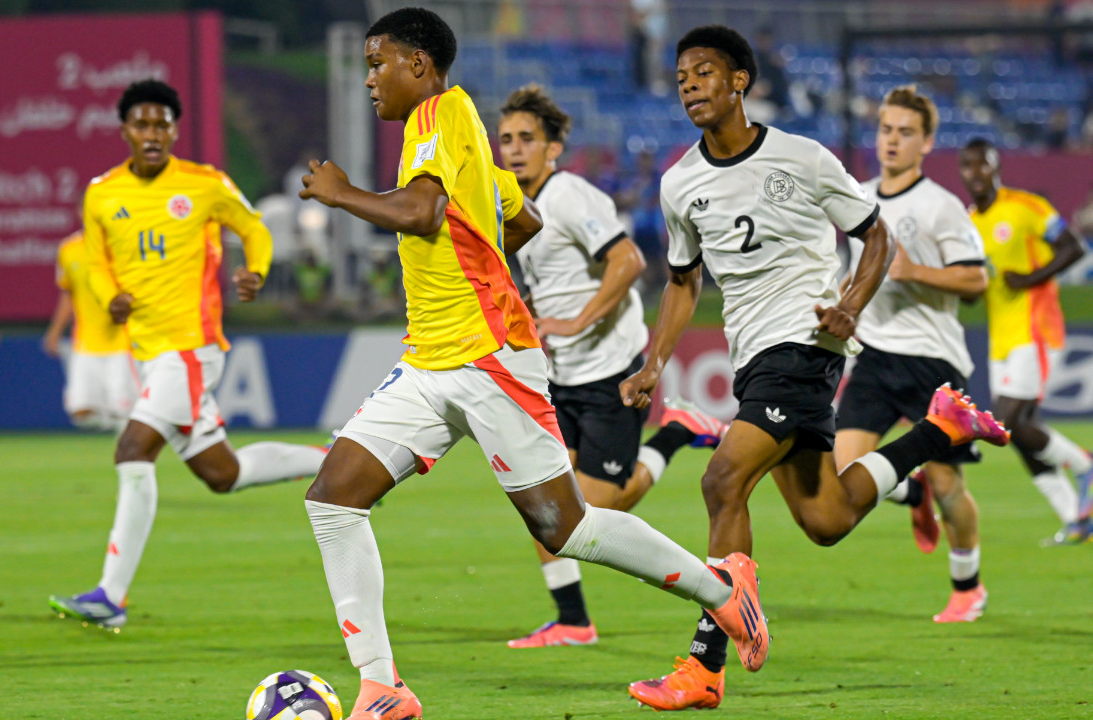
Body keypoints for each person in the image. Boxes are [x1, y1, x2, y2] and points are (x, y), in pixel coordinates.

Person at [297, 10, 769, 719]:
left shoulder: (435, 115)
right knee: (333, 498)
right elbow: (522, 221)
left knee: (565, 528)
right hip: (431, 359)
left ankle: (723, 590)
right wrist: (481, 243)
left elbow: (423, 213)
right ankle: (381, 687)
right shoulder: (466, 140)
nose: (369, 79)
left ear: (419, 66)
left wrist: (341, 195)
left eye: (378, 63)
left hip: (487, 356)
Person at [617, 26, 1010, 711]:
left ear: (739, 81)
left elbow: (875, 234)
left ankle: (706, 665)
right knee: (825, 517)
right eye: (681, 75)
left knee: (722, 478)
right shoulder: (679, 183)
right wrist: (654, 363)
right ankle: (939, 432)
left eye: (704, 71)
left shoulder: (801, 157)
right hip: (754, 353)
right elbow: (683, 282)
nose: (688, 83)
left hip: (804, 342)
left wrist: (852, 305)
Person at [47, 80, 330, 630]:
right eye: (141, 125)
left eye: (162, 125)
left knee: (133, 449)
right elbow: (96, 260)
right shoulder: (101, 193)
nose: (152, 134)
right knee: (222, 472)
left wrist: (257, 271)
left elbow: (253, 228)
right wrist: (111, 298)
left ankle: (110, 597)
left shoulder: (203, 185)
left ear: (175, 130)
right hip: (149, 352)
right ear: (125, 131)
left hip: (191, 349)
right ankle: (338, 462)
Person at [497, 83, 728, 649]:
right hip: (558, 378)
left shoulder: (571, 197)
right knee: (543, 505)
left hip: (607, 372)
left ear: (553, 148)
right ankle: (573, 620)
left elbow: (629, 260)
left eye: (528, 138)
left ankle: (674, 434)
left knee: (592, 513)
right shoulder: (506, 201)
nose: (515, 149)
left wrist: (575, 321)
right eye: (506, 139)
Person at [835, 86, 991, 623]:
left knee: (951, 486)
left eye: (905, 132)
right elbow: (847, 274)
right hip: (876, 356)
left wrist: (912, 270)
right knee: (843, 471)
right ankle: (909, 492)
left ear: (926, 142)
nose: (892, 141)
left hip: (935, 361)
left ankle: (968, 585)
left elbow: (977, 279)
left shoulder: (941, 206)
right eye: (885, 130)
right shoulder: (857, 197)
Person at [958, 137, 1093, 545]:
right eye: (968, 166)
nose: (976, 173)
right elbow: (971, 288)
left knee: (1009, 422)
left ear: (996, 168)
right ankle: (1076, 518)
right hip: (1001, 335)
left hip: (1035, 327)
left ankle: (1084, 465)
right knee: (1019, 432)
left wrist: (1030, 278)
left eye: (983, 165)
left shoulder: (1025, 207)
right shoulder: (968, 223)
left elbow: (1073, 248)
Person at [43, 227, 137, 431]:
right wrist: (55, 332)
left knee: (124, 410)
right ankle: (120, 427)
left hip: (123, 343)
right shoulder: (69, 249)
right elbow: (68, 294)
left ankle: (132, 457)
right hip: (86, 342)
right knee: (80, 412)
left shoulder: (123, 243)